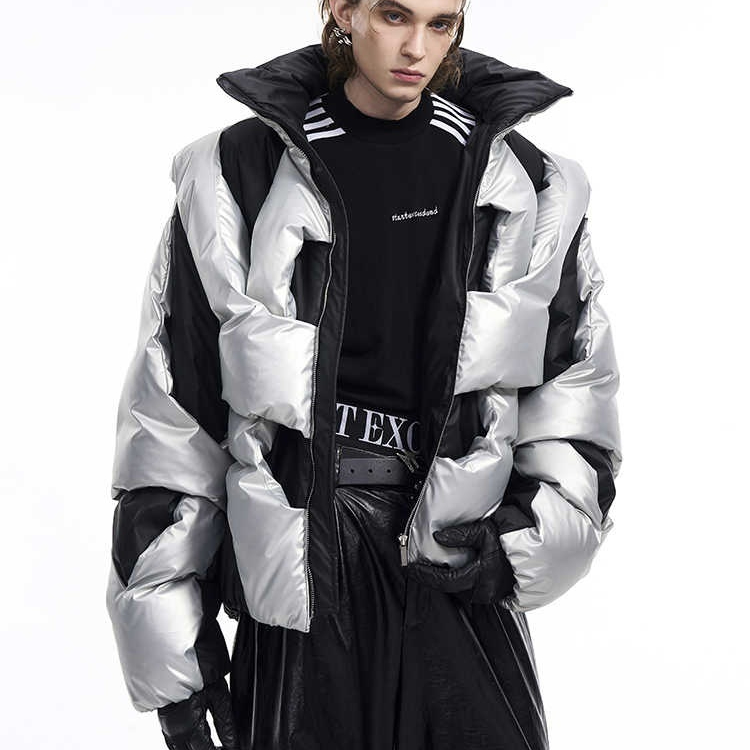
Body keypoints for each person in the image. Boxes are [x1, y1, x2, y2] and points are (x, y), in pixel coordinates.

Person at [105, 1, 623, 748]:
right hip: (305, 570)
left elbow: (574, 390)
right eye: (393, 15)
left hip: (456, 559)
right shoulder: (237, 175)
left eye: (441, 23)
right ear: (340, 10)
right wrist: (176, 667)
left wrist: (521, 544)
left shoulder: (529, 184)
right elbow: (174, 412)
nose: (417, 47)